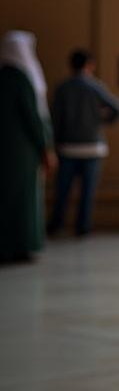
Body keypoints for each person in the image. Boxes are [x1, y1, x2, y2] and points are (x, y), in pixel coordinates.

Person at [48, 48, 119, 236]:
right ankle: (82, 227)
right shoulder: (94, 87)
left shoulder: (62, 88)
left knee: (62, 192)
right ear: (90, 65)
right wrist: (98, 120)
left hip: (67, 147)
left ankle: (56, 225)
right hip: (92, 146)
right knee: (87, 193)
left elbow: (55, 119)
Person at [0, 31, 53, 261]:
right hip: (23, 150)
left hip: (4, 150)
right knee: (25, 198)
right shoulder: (23, 79)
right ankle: (24, 244)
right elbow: (34, 116)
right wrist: (46, 147)